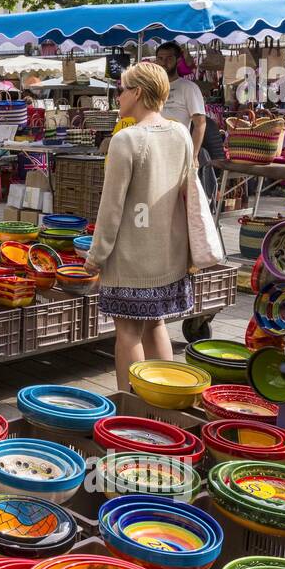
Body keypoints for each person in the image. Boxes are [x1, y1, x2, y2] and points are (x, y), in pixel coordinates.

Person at [84, 62, 195, 392]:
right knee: (155, 323)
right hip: (170, 254)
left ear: (137, 93)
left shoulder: (126, 140)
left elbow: (111, 208)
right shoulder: (180, 133)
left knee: (128, 332)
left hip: (132, 257)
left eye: (121, 89)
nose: (118, 96)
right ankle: (165, 401)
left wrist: (95, 257)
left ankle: (129, 405)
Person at [155, 42, 205, 158]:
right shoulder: (153, 87)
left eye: (169, 58)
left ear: (178, 61)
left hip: (178, 151)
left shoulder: (189, 88)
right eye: (160, 59)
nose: (164, 63)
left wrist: (194, 155)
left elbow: (200, 124)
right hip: (154, 149)